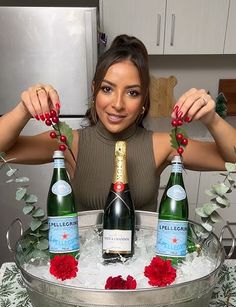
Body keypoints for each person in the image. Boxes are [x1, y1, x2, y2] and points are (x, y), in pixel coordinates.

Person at [0, 34, 235, 212]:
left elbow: (231, 161)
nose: (118, 104)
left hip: (144, 273)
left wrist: (211, 119)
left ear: (144, 100)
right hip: (85, 273)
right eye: (107, 89)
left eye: (132, 93)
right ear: (94, 91)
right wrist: (24, 109)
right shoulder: (69, 143)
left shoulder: (163, 144)